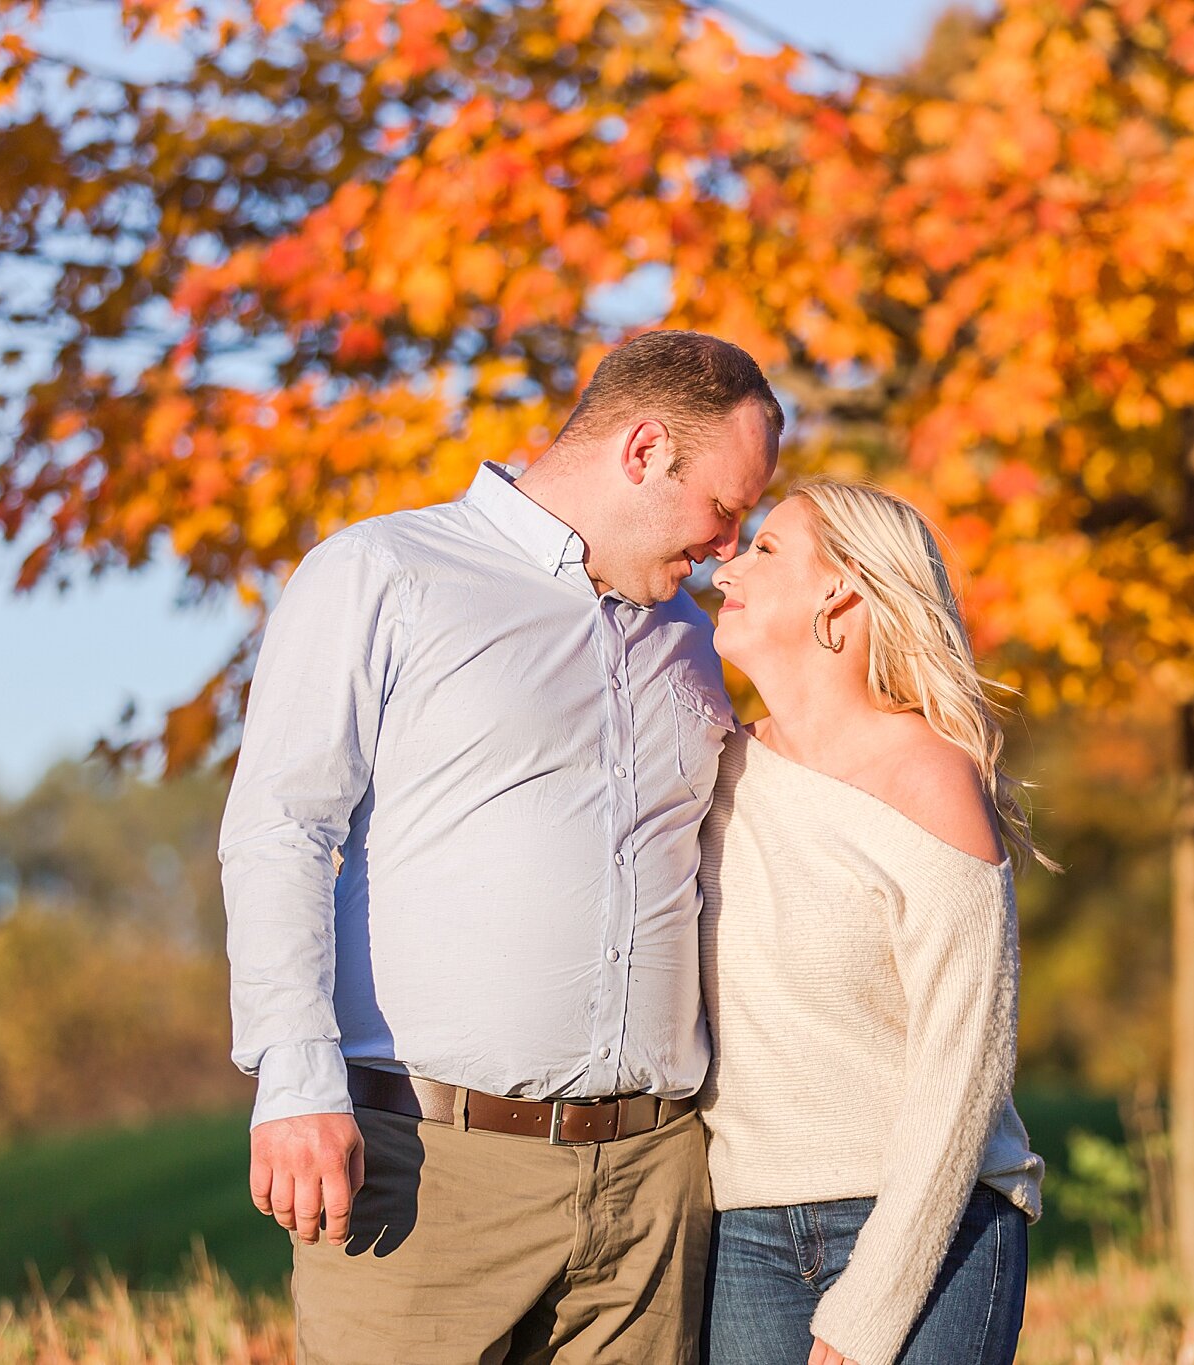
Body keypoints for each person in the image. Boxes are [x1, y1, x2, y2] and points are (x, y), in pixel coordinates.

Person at [219, 329, 780, 1364]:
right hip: (430, 1172)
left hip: (657, 1185)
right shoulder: (382, 572)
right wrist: (293, 1080)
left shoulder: (691, 635)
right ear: (644, 449)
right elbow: (280, 832)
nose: (727, 546)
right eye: (725, 509)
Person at [697, 478, 1049, 1365]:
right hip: (743, 1236)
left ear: (842, 591)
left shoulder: (930, 777)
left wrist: (875, 1301)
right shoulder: (713, 769)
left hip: (931, 1224)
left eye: (766, 549)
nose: (726, 564)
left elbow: (965, 1066)